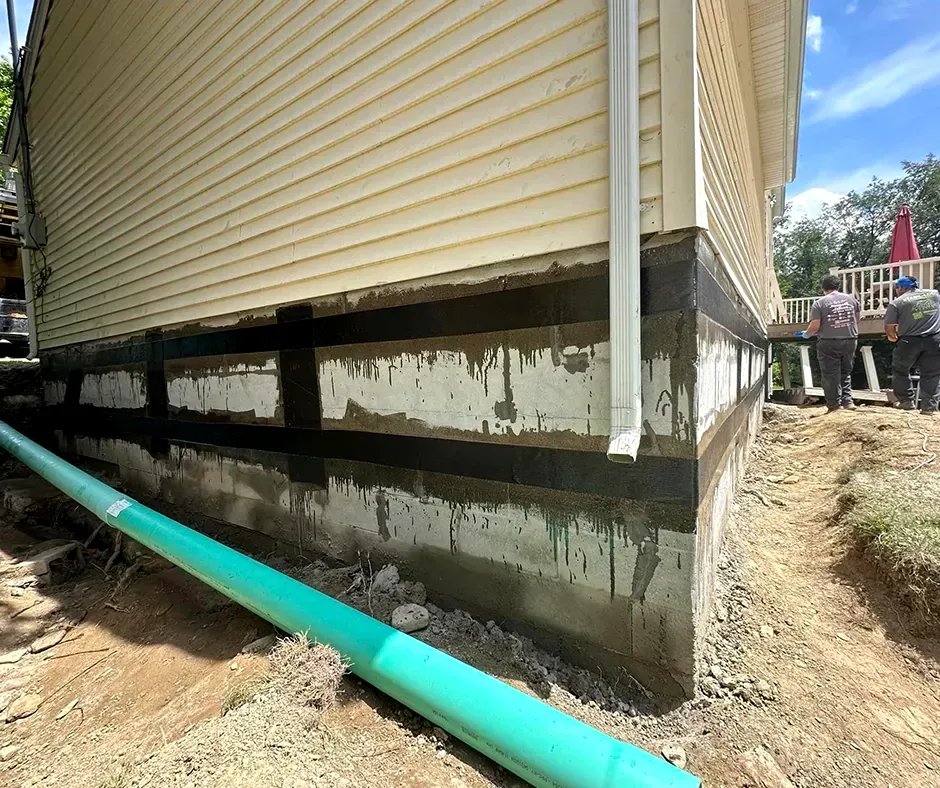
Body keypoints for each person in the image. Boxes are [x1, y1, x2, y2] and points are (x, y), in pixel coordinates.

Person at [797, 274, 860, 412]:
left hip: (828, 342)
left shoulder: (820, 303)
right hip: (850, 340)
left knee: (830, 374)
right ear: (838, 286)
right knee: (845, 372)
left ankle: (834, 405)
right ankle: (848, 402)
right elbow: (856, 320)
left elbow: (814, 326)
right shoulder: (852, 300)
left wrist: (806, 335)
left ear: (823, 288)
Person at [884, 275, 940, 415]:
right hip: (934, 340)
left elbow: (890, 327)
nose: (897, 291)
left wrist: (893, 337)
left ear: (902, 287)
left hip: (909, 341)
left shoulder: (897, 303)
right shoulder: (934, 294)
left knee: (901, 370)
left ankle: (906, 402)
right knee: (931, 374)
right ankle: (929, 408)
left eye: (897, 288)